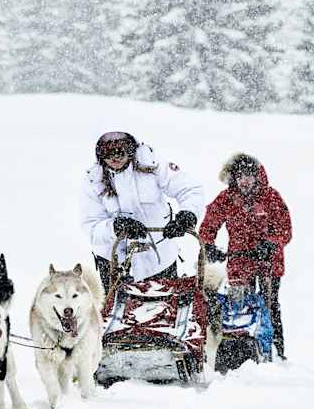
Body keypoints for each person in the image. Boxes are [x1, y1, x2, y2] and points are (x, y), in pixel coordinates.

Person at [80, 131, 205, 294]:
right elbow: (91, 226)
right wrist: (115, 227)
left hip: (159, 259)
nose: (114, 158)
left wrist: (187, 215)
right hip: (115, 264)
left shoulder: (152, 165)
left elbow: (190, 189)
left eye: (119, 152)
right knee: (116, 315)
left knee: (164, 312)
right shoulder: (93, 181)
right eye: (107, 154)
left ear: (130, 151)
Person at [198, 153, 292, 360]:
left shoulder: (270, 197)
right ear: (234, 178)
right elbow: (209, 222)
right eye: (240, 176)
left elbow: (285, 228)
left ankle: (274, 349)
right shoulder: (227, 198)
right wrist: (209, 244)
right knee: (238, 304)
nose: (245, 181)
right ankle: (240, 349)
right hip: (240, 260)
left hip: (269, 261)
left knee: (269, 303)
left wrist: (271, 244)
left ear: (257, 177)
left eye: (249, 176)